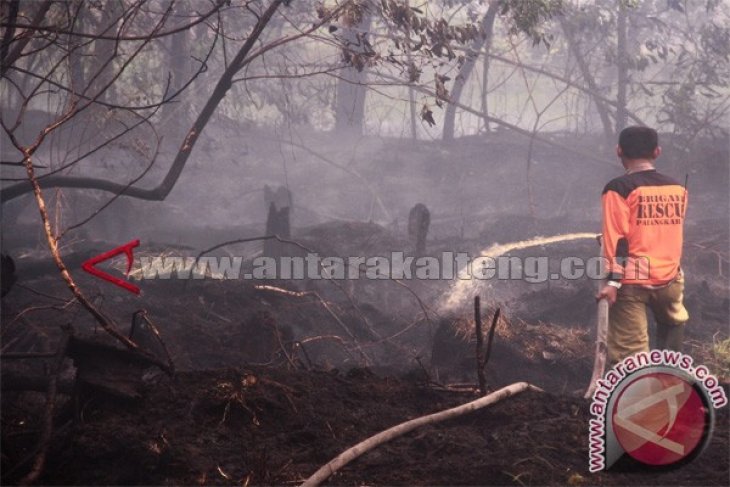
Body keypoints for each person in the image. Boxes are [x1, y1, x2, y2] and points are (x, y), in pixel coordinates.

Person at [596, 126, 689, 365]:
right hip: (671, 279)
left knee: (631, 356)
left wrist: (613, 282)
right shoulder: (678, 188)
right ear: (657, 151)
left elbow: (618, 240)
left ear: (619, 151)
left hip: (631, 282)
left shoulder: (618, 189)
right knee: (672, 339)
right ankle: (670, 390)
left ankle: (635, 400)